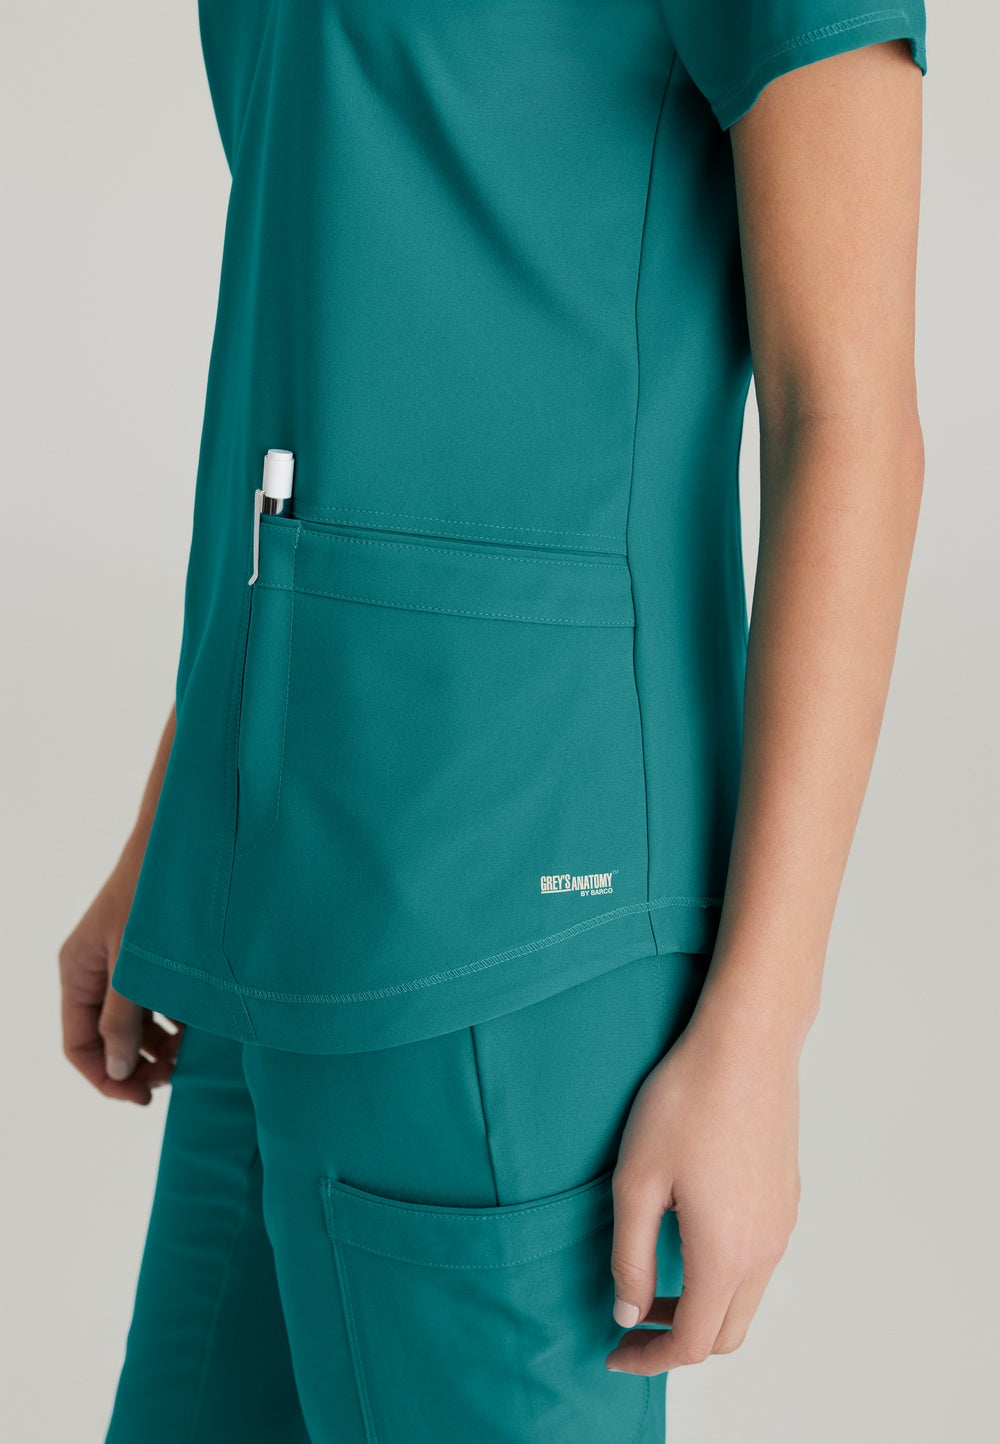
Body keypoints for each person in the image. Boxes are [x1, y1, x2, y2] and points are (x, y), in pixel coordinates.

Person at [58, 2, 928, 1440]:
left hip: (508, 935)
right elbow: (328, 366)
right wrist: (176, 823)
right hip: (267, 903)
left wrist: (759, 1030)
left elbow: (848, 418)